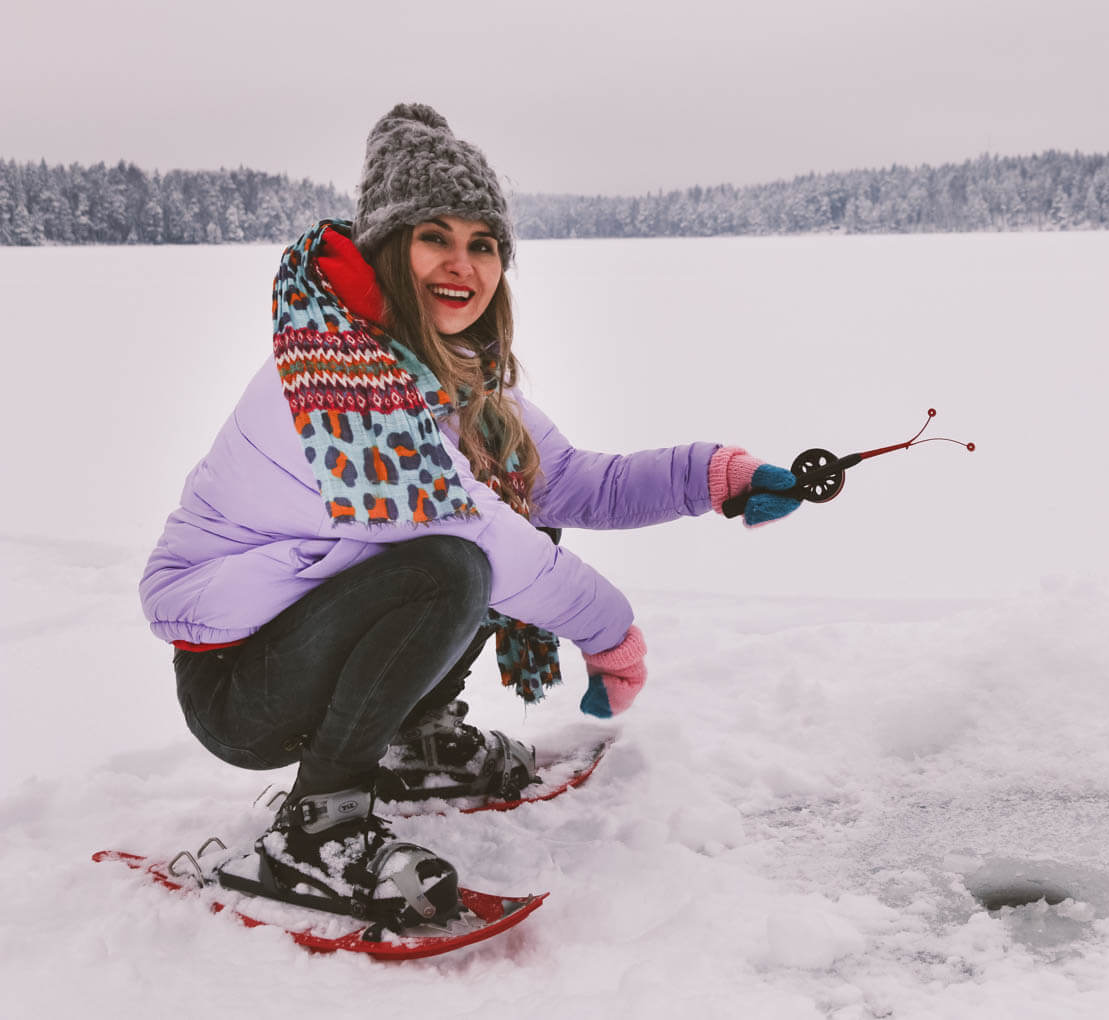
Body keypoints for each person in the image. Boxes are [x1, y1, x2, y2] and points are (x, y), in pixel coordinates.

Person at [139, 103, 802, 929]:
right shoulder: (330, 385)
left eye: (483, 243)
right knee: (454, 561)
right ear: (388, 248)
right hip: (240, 686)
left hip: (311, 638)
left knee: (500, 530)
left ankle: (409, 741)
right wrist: (610, 635)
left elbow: (569, 484)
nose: (463, 264)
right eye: (435, 237)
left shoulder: (459, 385)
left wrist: (713, 477)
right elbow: (479, 535)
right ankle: (318, 828)